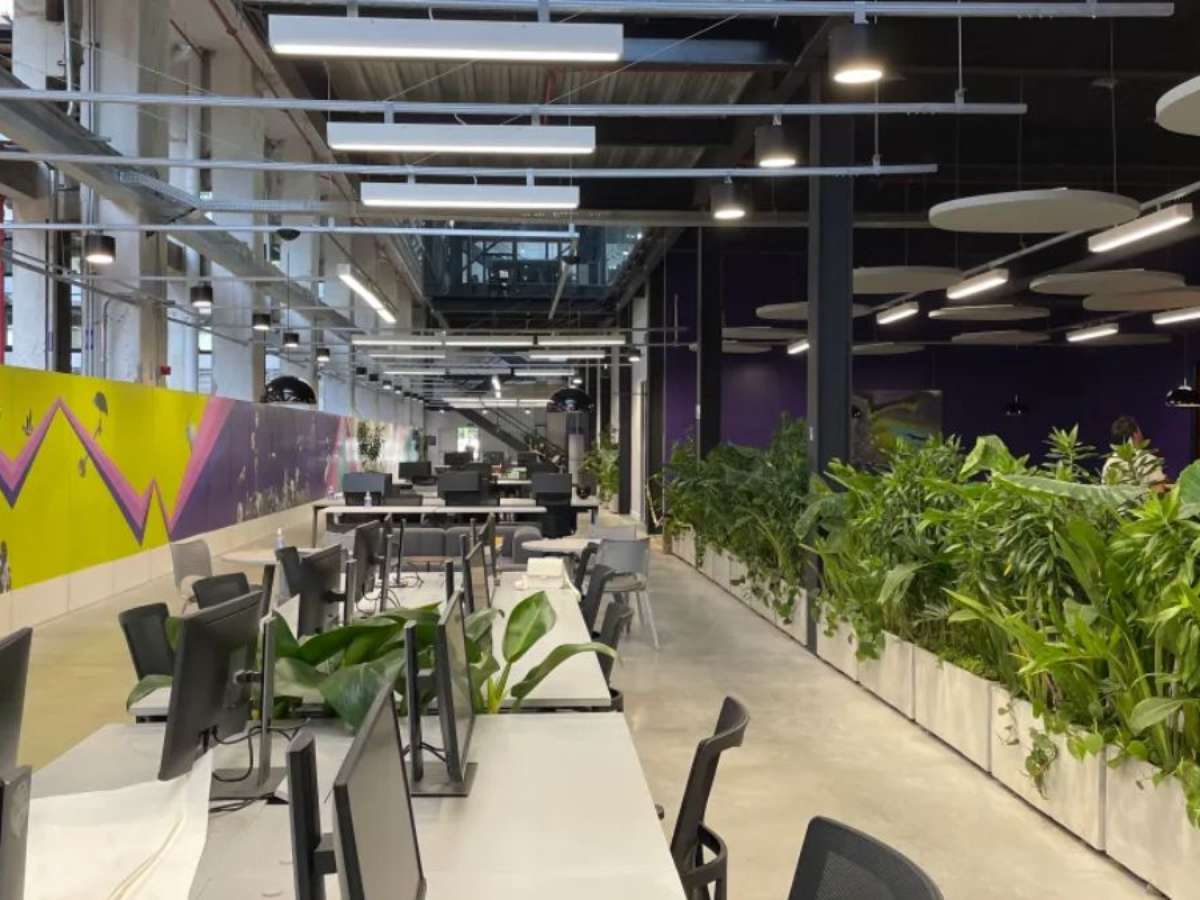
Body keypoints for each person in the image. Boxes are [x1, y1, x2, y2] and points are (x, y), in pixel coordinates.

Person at [1102, 416, 1167, 487]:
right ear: (1135, 434)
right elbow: (1158, 489)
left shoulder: (1109, 464)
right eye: (1139, 431)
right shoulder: (1147, 459)